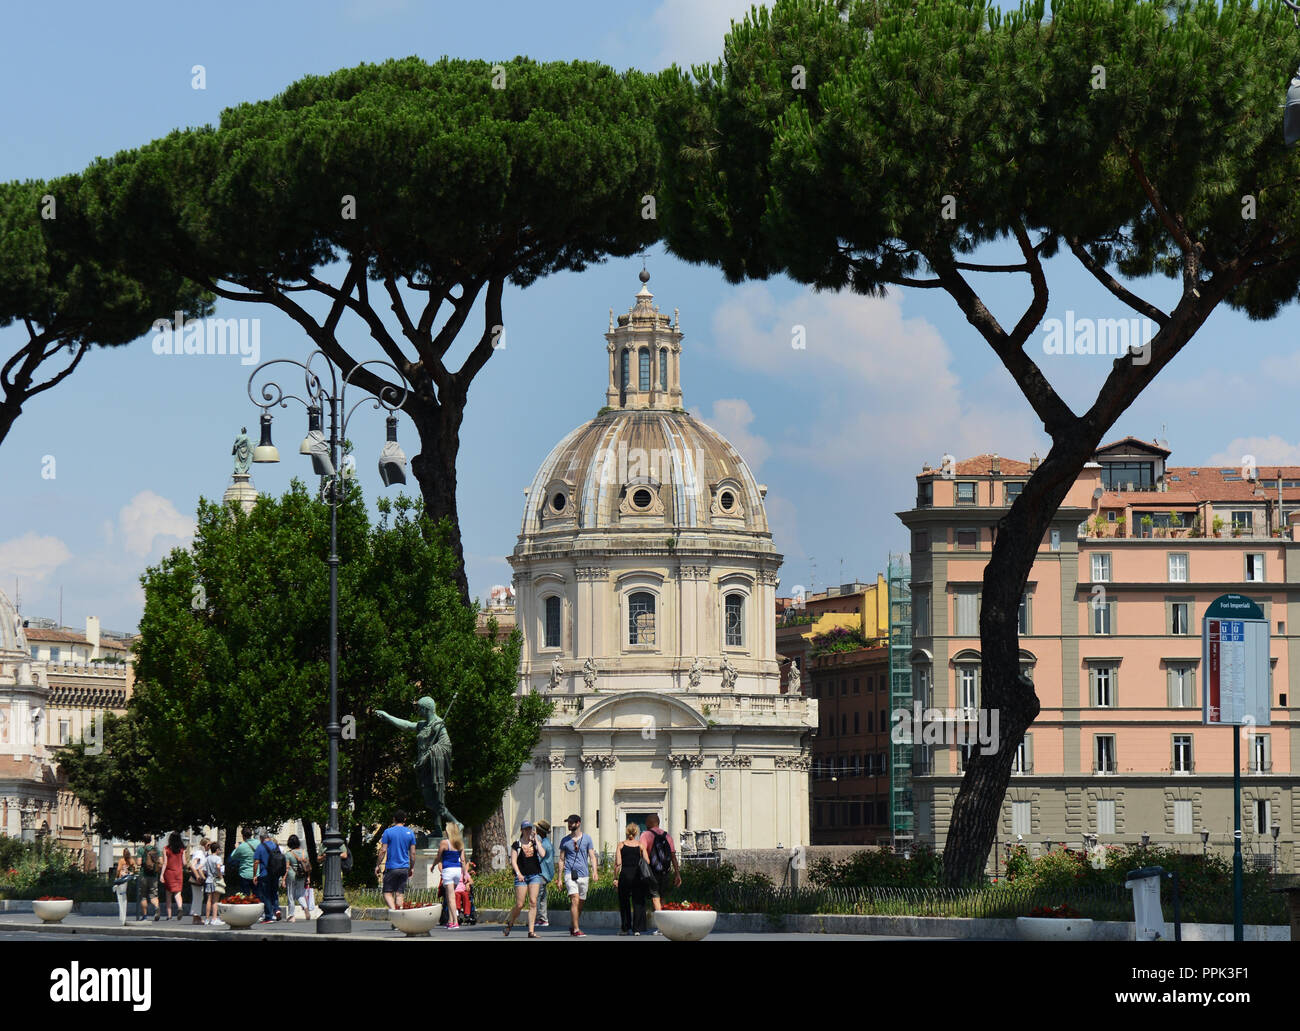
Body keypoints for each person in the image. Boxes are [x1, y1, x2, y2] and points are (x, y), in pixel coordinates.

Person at [640, 813, 682, 933]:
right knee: (662, 897)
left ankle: (661, 927)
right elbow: (673, 856)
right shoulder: (667, 836)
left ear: (648, 823)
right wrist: (677, 874)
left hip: (652, 871)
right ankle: (663, 925)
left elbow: (642, 851)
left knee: (655, 897)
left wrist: (644, 866)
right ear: (658, 822)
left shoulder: (646, 834)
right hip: (665, 871)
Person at [503, 820, 545, 938]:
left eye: (529, 829)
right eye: (526, 829)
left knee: (533, 901)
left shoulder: (534, 843)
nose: (528, 831)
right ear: (521, 830)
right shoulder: (516, 844)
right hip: (522, 876)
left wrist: (536, 840)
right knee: (520, 904)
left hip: (535, 874)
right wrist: (518, 873)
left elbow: (542, 854)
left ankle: (531, 931)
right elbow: (513, 861)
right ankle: (510, 922)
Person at [558, 814, 597, 938]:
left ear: (578, 823)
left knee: (580, 903)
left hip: (584, 874)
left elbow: (592, 856)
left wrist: (594, 871)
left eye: (571, 823)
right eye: (568, 822)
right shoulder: (564, 840)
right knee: (574, 899)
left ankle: (573, 924)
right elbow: (561, 859)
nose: (569, 825)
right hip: (570, 874)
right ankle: (576, 929)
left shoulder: (587, 838)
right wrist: (559, 878)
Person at [377, 809, 418, 910]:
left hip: (391, 867)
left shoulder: (388, 832)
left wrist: (378, 865)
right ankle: (399, 916)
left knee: (387, 893)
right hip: (404, 867)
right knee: (400, 894)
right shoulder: (410, 833)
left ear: (394, 819)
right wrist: (411, 867)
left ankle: (394, 911)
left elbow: (383, 850)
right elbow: (412, 853)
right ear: (405, 819)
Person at [615, 823, 650, 935]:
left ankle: (625, 928)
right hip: (637, 876)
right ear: (636, 833)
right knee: (638, 901)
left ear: (626, 832)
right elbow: (647, 861)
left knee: (624, 902)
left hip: (625, 875)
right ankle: (637, 929)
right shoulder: (640, 845)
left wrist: (615, 878)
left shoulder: (620, 845)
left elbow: (618, 863)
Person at [434, 823, 465, 929]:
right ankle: (450, 920)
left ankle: (455, 922)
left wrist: (433, 865)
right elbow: (463, 860)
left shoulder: (444, 842)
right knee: (448, 895)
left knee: (451, 898)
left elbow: (438, 856)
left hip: (448, 870)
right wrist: (465, 874)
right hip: (457, 871)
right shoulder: (460, 843)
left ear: (448, 831)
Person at [253, 832, 285, 922]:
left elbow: (256, 862)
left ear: (261, 838)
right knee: (274, 893)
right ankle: (277, 909)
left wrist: (254, 875)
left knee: (266, 895)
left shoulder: (260, 847)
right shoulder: (275, 845)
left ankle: (268, 916)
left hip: (264, 874)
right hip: (275, 873)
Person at [284, 834, 311, 922]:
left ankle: (292, 916)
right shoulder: (304, 852)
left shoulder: (288, 854)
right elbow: (307, 866)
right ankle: (306, 908)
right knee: (300, 894)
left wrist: (283, 879)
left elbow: (287, 868)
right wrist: (308, 877)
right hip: (302, 875)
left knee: (290, 895)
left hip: (292, 876)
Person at [534, 819, 554, 927]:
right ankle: (543, 918)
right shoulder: (547, 842)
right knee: (542, 897)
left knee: (536, 896)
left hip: (541, 873)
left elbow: (538, 857)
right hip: (545, 874)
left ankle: (537, 918)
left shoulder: (543, 845)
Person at [136, 834, 161, 921]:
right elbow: (160, 861)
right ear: (151, 840)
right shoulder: (156, 850)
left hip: (144, 874)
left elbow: (139, 863)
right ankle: (156, 907)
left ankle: (145, 916)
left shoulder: (141, 849)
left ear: (143, 840)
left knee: (143, 896)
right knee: (154, 894)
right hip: (154, 875)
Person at [162, 832, 186, 920]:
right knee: (178, 892)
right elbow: (184, 863)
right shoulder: (182, 849)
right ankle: (180, 907)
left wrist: (161, 875)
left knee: (168, 893)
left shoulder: (166, 849)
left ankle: (169, 915)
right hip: (179, 872)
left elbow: (165, 863)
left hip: (169, 872)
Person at [229, 828, 257, 895]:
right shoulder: (258, 843)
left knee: (245, 896)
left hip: (244, 873)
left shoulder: (241, 846)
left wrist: (236, 848)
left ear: (243, 836)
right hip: (256, 873)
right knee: (257, 895)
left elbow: (233, 857)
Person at [203, 840, 225, 926]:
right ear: (217, 850)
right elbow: (218, 867)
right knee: (215, 901)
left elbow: (204, 870)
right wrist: (220, 876)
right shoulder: (218, 858)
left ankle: (207, 919)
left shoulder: (207, 858)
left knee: (208, 900)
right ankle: (214, 919)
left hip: (208, 880)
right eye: (219, 849)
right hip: (216, 880)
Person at [188, 837, 209, 924]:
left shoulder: (202, 853)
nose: (209, 846)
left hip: (200, 876)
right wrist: (197, 876)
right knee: (198, 897)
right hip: (198, 877)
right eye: (208, 845)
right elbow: (192, 865)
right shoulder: (200, 853)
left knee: (199, 897)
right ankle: (196, 917)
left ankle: (196, 917)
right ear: (204, 845)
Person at [112, 847, 135, 926]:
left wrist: (116, 877)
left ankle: (122, 917)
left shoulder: (121, 860)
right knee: (124, 897)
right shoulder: (131, 860)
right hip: (126, 880)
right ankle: (123, 916)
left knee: (120, 898)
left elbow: (118, 870)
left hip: (120, 880)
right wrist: (130, 873)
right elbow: (134, 868)